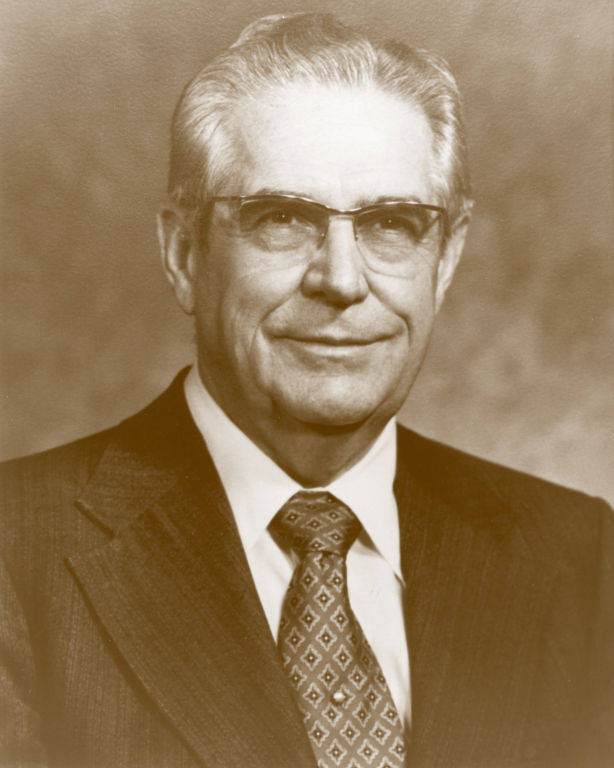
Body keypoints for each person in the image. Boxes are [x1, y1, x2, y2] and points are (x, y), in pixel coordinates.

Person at [1, 11, 612, 768]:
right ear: (184, 252)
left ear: (446, 258)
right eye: (282, 218)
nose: (342, 281)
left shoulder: (577, 558)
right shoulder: (16, 550)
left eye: (393, 223)